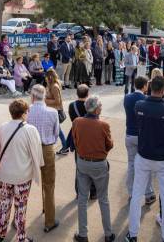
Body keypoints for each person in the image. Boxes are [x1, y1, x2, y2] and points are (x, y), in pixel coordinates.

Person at [126, 76, 164, 242]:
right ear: (163, 90)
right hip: (163, 158)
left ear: (149, 88)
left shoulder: (139, 105)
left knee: (137, 195)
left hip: (144, 156)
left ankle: (133, 234)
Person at [0, 99, 44, 242]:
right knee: (21, 206)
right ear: (23, 114)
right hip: (22, 176)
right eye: (27, 111)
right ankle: (21, 237)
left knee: (3, 204)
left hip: (5, 174)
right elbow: (37, 153)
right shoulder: (31, 130)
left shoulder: (3, 127)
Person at [72, 96, 115, 242]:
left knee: (82, 199)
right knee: (103, 199)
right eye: (101, 106)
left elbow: (75, 140)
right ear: (96, 109)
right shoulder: (103, 125)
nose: (102, 108)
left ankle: (83, 234)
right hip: (98, 164)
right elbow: (109, 145)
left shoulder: (77, 122)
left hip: (83, 162)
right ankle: (108, 234)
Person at [26, 84, 60, 233]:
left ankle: (17, 219)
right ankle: (49, 220)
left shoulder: (27, 110)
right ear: (44, 96)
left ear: (33, 97)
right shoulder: (52, 112)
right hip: (46, 148)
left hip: (30, 148)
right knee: (49, 184)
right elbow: (56, 133)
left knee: (23, 184)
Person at [123, 75, 155, 204]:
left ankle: (131, 192)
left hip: (130, 134)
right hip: (142, 136)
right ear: (144, 86)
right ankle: (148, 193)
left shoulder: (127, 98)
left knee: (131, 164)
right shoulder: (146, 99)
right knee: (146, 165)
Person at [44, 69, 69, 155]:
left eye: (46, 77)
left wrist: (45, 100)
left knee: (57, 130)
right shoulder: (51, 85)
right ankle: (64, 146)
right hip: (53, 110)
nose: (45, 79)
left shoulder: (54, 86)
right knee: (57, 129)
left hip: (56, 111)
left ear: (49, 77)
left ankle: (65, 146)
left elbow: (57, 101)